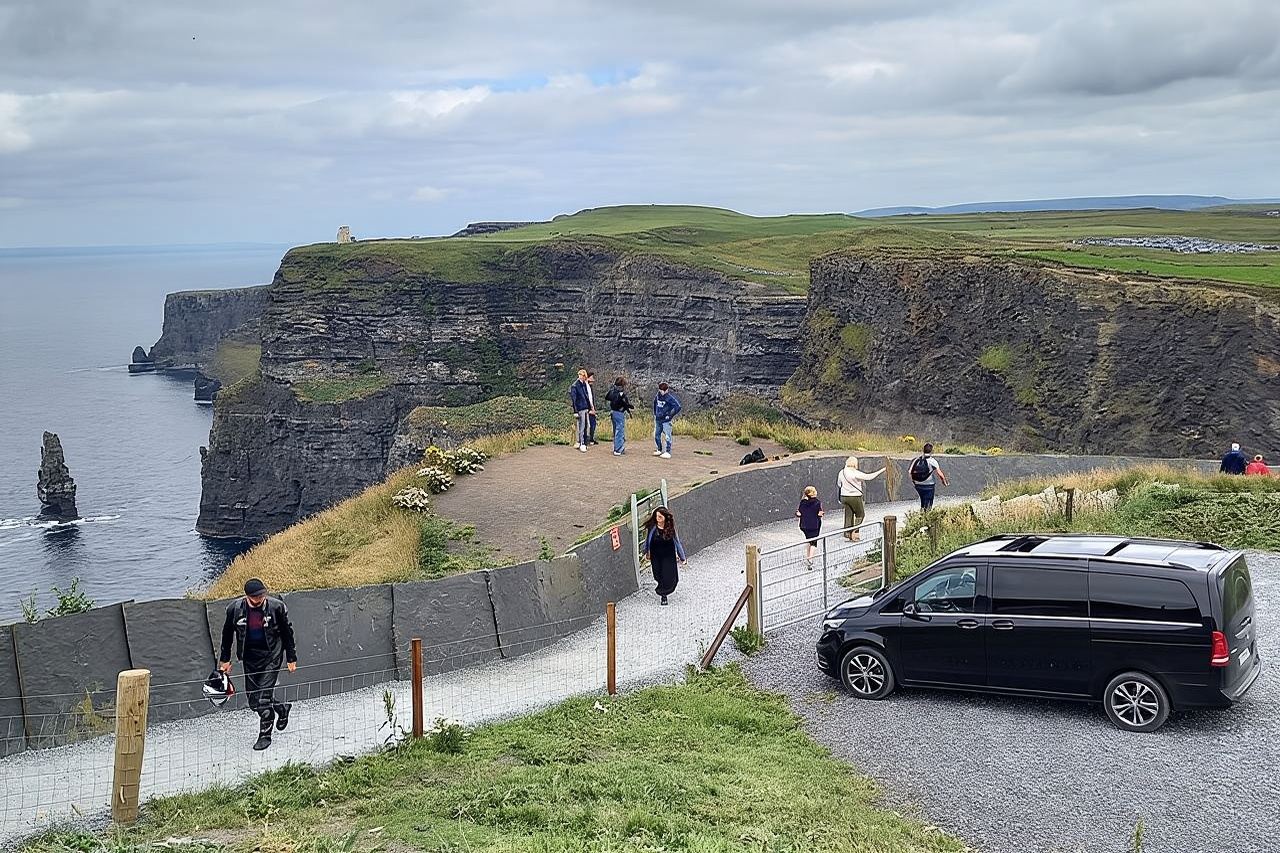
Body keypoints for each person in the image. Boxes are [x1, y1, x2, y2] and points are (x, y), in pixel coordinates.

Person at [219, 578, 298, 751]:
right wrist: (225, 659)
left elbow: (287, 633)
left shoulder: (276, 607)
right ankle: (281, 708)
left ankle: (265, 735)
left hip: (272, 656)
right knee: (254, 701)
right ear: (247, 596)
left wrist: (291, 658)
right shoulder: (234, 609)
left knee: (263, 699)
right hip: (249, 658)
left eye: (262, 594)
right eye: (255, 596)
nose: (260, 598)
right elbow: (227, 634)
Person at [641, 506, 686, 605]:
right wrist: (645, 552)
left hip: (668, 555)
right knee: (658, 574)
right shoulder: (652, 528)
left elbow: (677, 542)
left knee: (668, 575)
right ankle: (662, 588)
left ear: (665, 517)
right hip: (656, 555)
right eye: (656, 516)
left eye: (660, 517)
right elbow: (647, 541)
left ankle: (663, 595)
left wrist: (682, 556)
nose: (658, 519)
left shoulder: (670, 528)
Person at [837, 456, 885, 540]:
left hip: (844, 496)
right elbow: (869, 477)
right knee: (860, 514)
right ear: (855, 464)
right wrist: (882, 470)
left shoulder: (841, 472)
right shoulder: (855, 473)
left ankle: (847, 533)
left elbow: (839, 484)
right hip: (855, 496)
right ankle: (855, 532)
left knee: (849, 514)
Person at [909, 443, 948, 511]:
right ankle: (926, 517)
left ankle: (922, 514)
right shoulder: (932, 461)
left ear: (923, 450)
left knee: (923, 501)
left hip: (918, 485)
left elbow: (910, 472)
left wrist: (914, 482)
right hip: (929, 485)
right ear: (931, 451)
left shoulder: (916, 460)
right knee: (929, 503)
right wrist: (944, 482)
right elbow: (940, 474)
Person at [604, 376, 634, 456]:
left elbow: (607, 397)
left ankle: (618, 448)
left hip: (613, 412)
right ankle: (618, 449)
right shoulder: (621, 394)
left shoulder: (612, 391)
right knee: (619, 431)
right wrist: (629, 406)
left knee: (616, 431)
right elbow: (624, 403)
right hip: (619, 413)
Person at [652, 382, 682, 459]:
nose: (660, 392)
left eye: (662, 390)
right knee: (656, 435)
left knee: (667, 436)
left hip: (666, 420)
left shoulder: (669, 398)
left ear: (666, 390)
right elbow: (655, 403)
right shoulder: (658, 396)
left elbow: (677, 407)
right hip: (658, 419)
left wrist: (669, 415)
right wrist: (655, 413)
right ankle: (659, 449)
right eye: (660, 390)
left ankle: (668, 451)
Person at [796, 485, 824, 564]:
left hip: (804, 525)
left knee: (809, 540)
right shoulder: (817, 502)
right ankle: (810, 559)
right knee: (814, 543)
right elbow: (819, 513)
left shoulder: (802, 502)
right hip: (814, 525)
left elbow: (799, 513)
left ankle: (808, 556)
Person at [568, 369, 595, 453]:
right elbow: (574, 400)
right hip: (580, 408)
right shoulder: (575, 386)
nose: (584, 378)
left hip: (585, 407)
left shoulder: (583, 385)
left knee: (586, 426)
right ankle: (582, 443)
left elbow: (586, 397)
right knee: (582, 426)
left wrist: (590, 407)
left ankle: (583, 442)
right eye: (583, 376)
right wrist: (575, 411)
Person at [585, 370, 599, 446]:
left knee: (593, 424)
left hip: (591, 408)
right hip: (588, 409)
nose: (593, 380)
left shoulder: (590, 387)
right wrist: (590, 409)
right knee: (589, 425)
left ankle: (591, 438)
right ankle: (588, 439)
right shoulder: (586, 388)